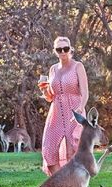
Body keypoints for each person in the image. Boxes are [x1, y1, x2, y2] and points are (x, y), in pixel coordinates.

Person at [38, 36, 89, 176]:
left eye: (65, 49)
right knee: (48, 149)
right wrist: (44, 91)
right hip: (56, 114)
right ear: (55, 51)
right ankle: (60, 182)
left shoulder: (78, 66)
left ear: (70, 49)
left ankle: (75, 183)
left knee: (72, 149)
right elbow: (50, 97)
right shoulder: (53, 69)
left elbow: (85, 92)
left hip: (74, 112)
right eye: (59, 49)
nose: (63, 52)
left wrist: (80, 108)